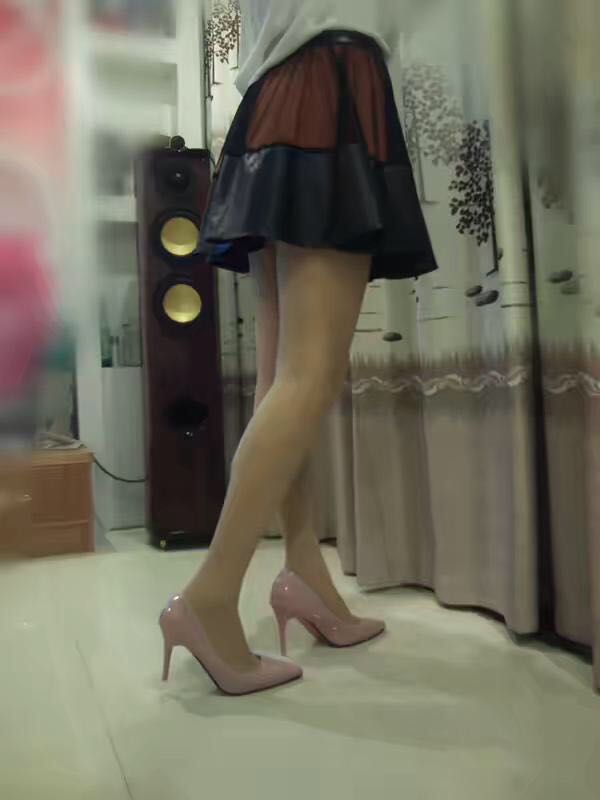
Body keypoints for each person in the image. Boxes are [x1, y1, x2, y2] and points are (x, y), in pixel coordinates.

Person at [159, 0, 438, 696]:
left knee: (285, 376)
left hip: (274, 97)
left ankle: (305, 570)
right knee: (309, 375)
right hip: (331, 80)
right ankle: (210, 597)